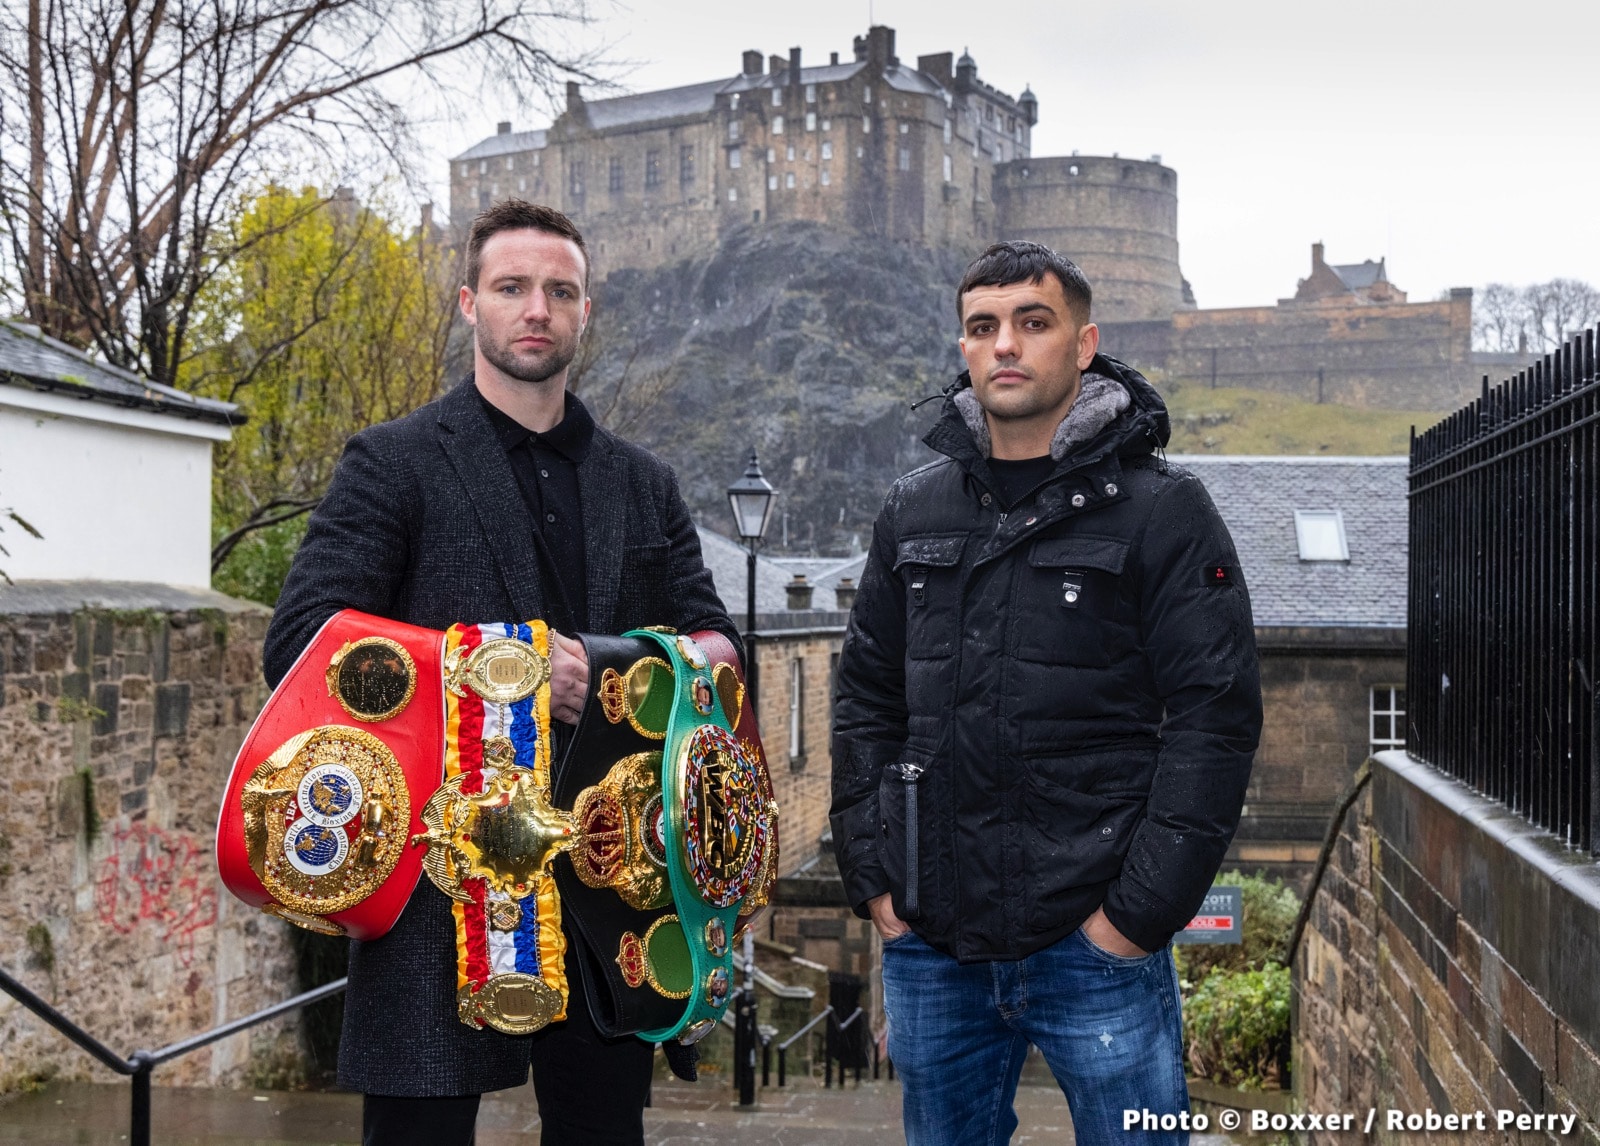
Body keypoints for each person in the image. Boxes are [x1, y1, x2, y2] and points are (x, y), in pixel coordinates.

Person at [263, 200, 737, 1146]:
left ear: (585, 312)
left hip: (610, 884)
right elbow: (305, 643)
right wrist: (503, 678)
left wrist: (604, 668)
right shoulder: (392, 463)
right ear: (468, 302)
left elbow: (719, 648)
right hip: (441, 880)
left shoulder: (644, 483)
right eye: (513, 287)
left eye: (559, 291)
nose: (537, 309)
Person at [830, 241, 1262, 1146]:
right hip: (934, 945)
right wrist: (879, 885)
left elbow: (1213, 719)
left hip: (1096, 944)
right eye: (983, 327)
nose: (1006, 346)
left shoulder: (1163, 510)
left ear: (1085, 343)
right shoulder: (912, 509)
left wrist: (1134, 920)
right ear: (963, 348)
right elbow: (866, 700)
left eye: (1034, 322)